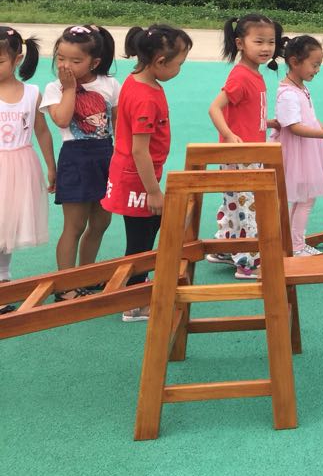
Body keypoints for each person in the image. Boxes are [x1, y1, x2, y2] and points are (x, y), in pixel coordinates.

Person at [101, 25, 193, 322]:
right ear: (160, 62)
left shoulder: (138, 80)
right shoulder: (146, 97)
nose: (180, 69)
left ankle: (136, 285)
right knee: (139, 242)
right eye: (179, 64)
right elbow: (140, 150)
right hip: (137, 178)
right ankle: (134, 301)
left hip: (138, 173)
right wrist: (153, 191)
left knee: (153, 226)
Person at [40, 25, 119, 288]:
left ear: (94, 62)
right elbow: (62, 120)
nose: (66, 65)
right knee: (74, 226)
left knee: (101, 223)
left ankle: (87, 276)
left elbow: (118, 124)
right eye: (61, 58)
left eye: (75, 61)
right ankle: (66, 286)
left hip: (106, 156)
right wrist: (69, 88)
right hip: (76, 159)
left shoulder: (109, 84)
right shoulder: (55, 88)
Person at [207, 14, 282, 279]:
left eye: (271, 42)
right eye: (259, 42)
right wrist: (228, 135)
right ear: (240, 43)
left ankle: (226, 247)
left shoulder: (253, 73)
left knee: (235, 203)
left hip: (249, 151)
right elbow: (215, 108)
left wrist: (266, 122)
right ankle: (247, 263)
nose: (266, 48)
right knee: (248, 206)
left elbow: (245, 110)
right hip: (241, 154)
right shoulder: (241, 76)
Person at [0, 28, 55, 312]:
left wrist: (51, 166)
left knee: (7, 226)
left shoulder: (32, 93)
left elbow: (42, 131)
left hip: (19, 168)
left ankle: (3, 280)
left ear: (17, 59)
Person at [271, 35, 323, 256]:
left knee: (303, 198)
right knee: (305, 199)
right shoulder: (288, 93)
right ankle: (296, 246)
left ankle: (293, 243)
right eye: (314, 65)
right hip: (297, 152)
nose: (317, 70)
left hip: (305, 150)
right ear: (295, 62)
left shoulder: (299, 87)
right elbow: (293, 127)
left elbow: (309, 117)